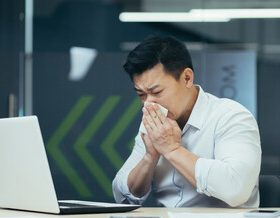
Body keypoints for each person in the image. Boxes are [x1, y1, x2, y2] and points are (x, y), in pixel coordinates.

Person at [112, 36, 261, 208]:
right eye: (141, 95)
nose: (148, 103)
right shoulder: (153, 122)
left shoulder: (231, 117)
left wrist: (172, 150)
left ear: (187, 78)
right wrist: (149, 157)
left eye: (157, 92)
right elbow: (122, 196)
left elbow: (236, 190)